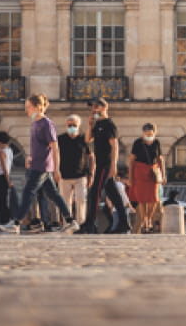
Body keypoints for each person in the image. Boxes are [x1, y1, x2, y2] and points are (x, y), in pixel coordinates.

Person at [1, 95, 71, 234]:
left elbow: (54, 147)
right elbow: (39, 146)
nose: (26, 110)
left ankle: (15, 223)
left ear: (37, 107)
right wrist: (30, 157)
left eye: (28, 107)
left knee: (28, 193)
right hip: (36, 164)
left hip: (42, 166)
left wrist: (56, 169)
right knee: (54, 194)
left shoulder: (46, 123)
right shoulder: (34, 123)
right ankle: (70, 221)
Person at [85, 98, 131, 234]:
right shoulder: (97, 124)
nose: (93, 110)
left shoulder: (109, 124)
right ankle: (124, 224)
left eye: (96, 107)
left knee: (95, 193)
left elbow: (115, 146)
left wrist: (113, 165)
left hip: (105, 164)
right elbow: (88, 139)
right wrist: (89, 125)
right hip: (100, 162)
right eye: (92, 107)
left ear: (104, 108)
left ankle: (90, 224)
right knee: (115, 195)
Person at [56, 115, 92, 232]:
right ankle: (68, 223)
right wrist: (55, 171)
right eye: (69, 125)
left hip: (81, 175)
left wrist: (91, 173)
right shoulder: (60, 139)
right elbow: (54, 156)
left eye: (74, 125)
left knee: (81, 199)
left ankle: (81, 224)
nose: (72, 127)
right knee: (65, 201)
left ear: (78, 126)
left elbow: (91, 157)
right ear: (66, 126)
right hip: (64, 175)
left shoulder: (83, 139)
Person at [129, 124, 166, 233]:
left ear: (155, 133)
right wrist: (130, 177)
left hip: (153, 172)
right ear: (143, 133)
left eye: (150, 134)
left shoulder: (156, 143)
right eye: (146, 134)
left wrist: (164, 175)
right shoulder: (138, 143)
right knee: (142, 199)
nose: (148, 136)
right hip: (140, 171)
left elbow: (160, 159)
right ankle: (145, 219)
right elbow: (131, 161)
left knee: (153, 199)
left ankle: (149, 218)